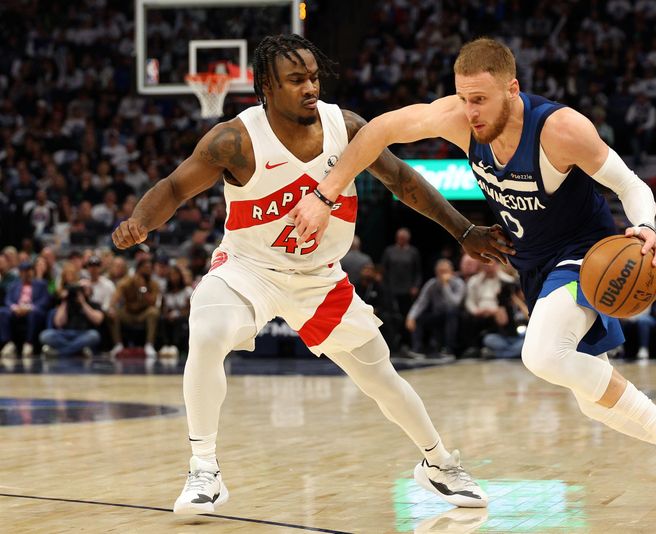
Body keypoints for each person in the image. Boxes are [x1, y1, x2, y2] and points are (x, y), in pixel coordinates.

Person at [291, 37, 656, 512]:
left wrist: (645, 226)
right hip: (534, 267)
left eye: (479, 99)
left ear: (513, 89)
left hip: (586, 254)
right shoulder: (462, 120)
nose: (470, 111)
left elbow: (630, 183)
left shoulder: (559, 129)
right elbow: (378, 131)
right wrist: (324, 194)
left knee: (542, 354)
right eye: (462, 98)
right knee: (592, 396)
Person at [112, 35, 510, 515]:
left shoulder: (345, 127)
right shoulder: (235, 140)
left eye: (314, 78)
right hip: (248, 269)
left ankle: (438, 463)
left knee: (380, 376)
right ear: (265, 87)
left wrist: (463, 229)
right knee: (207, 329)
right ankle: (204, 470)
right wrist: (140, 222)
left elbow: (403, 181)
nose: (310, 88)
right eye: (296, 80)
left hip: (319, 276)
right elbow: (174, 187)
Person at [405, 258, 465, 359]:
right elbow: (421, 302)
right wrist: (411, 317)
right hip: (438, 315)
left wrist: (445, 285)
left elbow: (454, 304)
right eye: (440, 272)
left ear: (451, 271)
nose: (442, 274)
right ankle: (417, 349)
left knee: (451, 313)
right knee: (418, 318)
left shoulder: (458, 283)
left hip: (454, 315)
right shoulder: (431, 284)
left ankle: (449, 350)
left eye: (445, 271)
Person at [108, 258, 161, 361]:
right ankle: (117, 345)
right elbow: (116, 297)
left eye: (150, 268)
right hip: (128, 313)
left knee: (154, 312)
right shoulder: (127, 281)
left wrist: (143, 290)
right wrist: (112, 308)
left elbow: (153, 303)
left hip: (143, 314)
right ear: (139, 269)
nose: (148, 270)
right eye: (146, 268)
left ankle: (149, 345)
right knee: (114, 313)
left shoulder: (153, 284)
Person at [39, 278, 104, 358]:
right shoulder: (67, 304)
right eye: (80, 288)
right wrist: (65, 300)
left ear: (91, 290)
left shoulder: (94, 304)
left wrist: (83, 303)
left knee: (94, 335)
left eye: (85, 288)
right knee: (46, 335)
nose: (82, 291)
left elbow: (98, 320)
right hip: (65, 334)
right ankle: (78, 350)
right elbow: (58, 323)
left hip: (83, 334)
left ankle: (59, 353)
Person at [0, 260, 50, 358]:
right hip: (16, 309)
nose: (27, 273)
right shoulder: (14, 285)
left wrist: (29, 308)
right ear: (20, 272)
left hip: (33, 309)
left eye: (29, 270)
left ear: (33, 271)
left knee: (34, 314)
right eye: (24, 271)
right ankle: (8, 343)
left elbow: (44, 301)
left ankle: (29, 343)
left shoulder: (41, 284)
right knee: (2, 312)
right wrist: (14, 308)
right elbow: (8, 300)